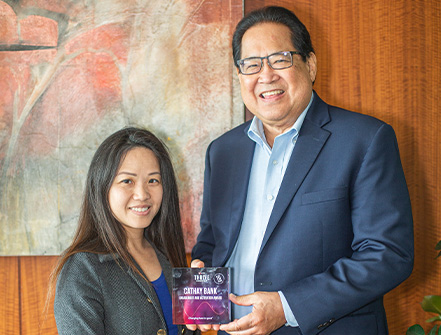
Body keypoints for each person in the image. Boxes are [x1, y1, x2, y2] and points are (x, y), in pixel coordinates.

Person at [190, 6, 414, 335]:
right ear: (240, 76)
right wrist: (201, 296)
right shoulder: (222, 152)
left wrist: (287, 306)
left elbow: (387, 254)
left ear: (310, 65)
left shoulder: (365, 139)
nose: (265, 76)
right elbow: (210, 245)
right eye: (251, 65)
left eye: (280, 59)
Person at [49, 127, 194, 335]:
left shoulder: (168, 254)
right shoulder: (82, 268)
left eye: (153, 180)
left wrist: (201, 314)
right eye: (128, 181)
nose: (142, 194)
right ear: (102, 187)